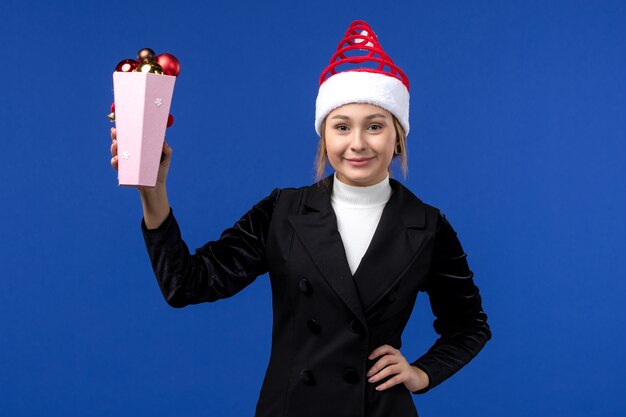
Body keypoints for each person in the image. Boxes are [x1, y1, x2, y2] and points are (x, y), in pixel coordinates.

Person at [110, 20, 491, 417]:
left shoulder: (427, 225)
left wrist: (421, 373)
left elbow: (469, 325)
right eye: (341, 127)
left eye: (375, 127)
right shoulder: (282, 211)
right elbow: (186, 285)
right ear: (324, 137)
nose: (357, 143)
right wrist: (153, 192)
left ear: (397, 137)